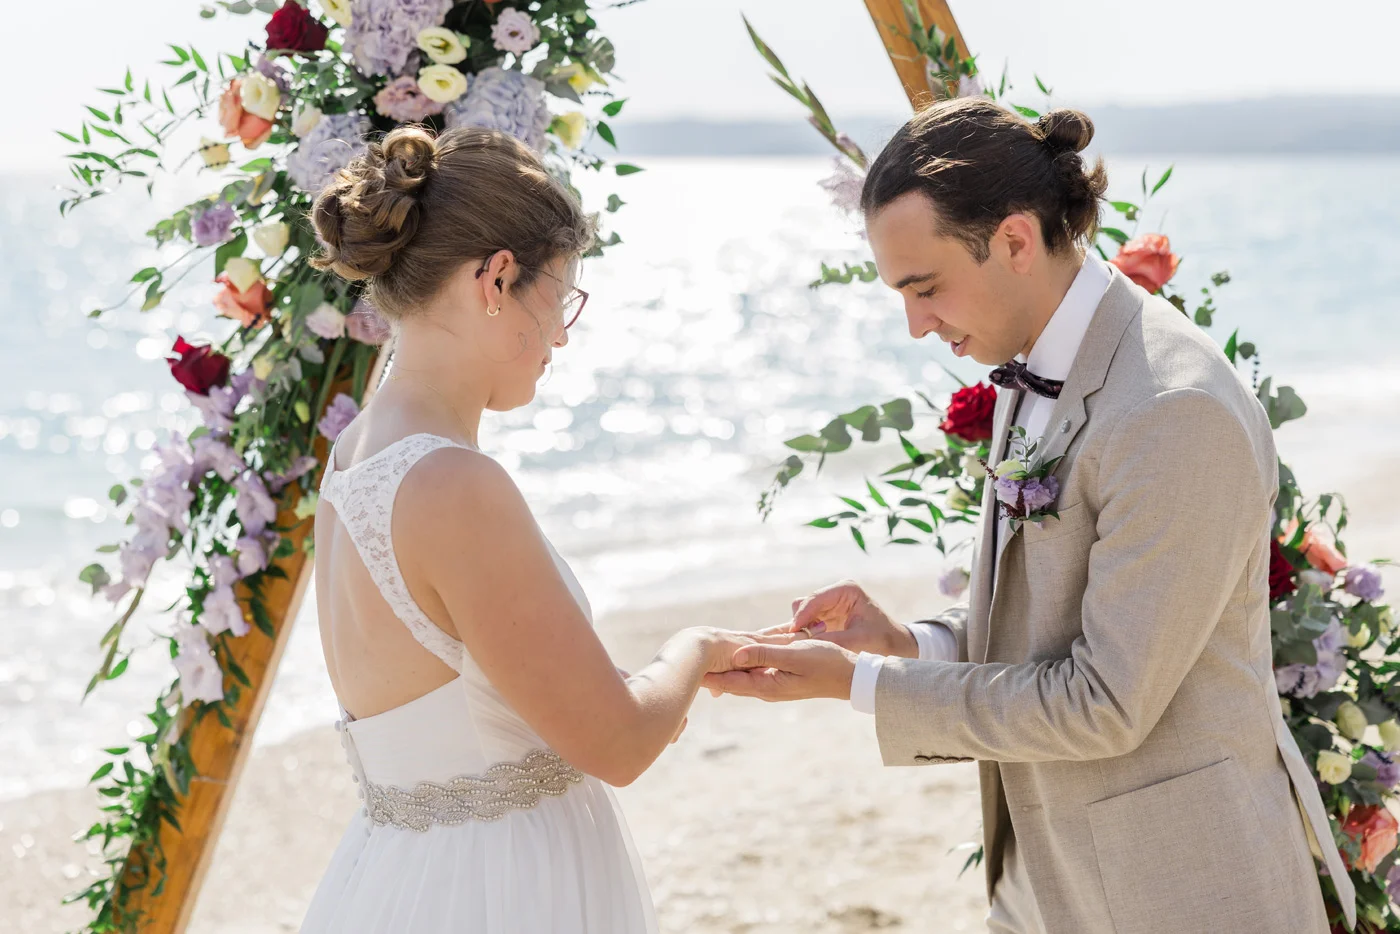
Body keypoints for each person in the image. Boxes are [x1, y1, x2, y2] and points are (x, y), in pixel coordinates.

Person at [705, 98, 1355, 934]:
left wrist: (861, 686)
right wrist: (908, 642)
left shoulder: (1170, 409)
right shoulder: (1036, 358)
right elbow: (1048, 618)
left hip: (1179, 890)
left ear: (1015, 239)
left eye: (927, 287)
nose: (915, 325)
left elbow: (1104, 702)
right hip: (1043, 878)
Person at [300, 125, 756, 934]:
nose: (562, 333)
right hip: (496, 887)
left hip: (398, 872)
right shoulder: (451, 484)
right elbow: (617, 746)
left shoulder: (353, 456)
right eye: (561, 297)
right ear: (497, 279)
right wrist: (697, 650)